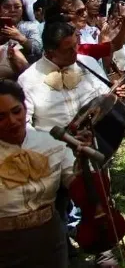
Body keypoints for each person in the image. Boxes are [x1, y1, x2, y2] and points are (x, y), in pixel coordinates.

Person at [0, 79, 77, 268]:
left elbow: (75, 182)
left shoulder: (51, 144)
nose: (12, 121)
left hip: (49, 238)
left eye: (16, 111)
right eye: (1, 117)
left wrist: (84, 163)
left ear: (25, 108)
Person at [18, 20, 109, 132]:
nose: (75, 51)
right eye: (68, 50)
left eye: (75, 45)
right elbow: (24, 126)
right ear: (50, 52)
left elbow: (105, 96)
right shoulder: (28, 79)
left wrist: (117, 95)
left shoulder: (88, 62)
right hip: (53, 142)